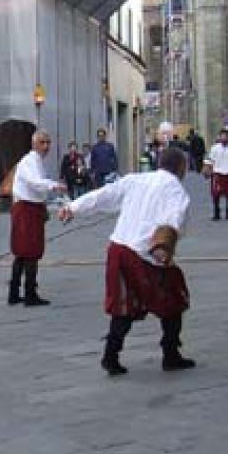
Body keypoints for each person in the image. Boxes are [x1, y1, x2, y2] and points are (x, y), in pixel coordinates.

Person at [59, 147, 194, 376]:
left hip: (118, 249)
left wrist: (73, 207)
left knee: (123, 306)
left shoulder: (135, 180)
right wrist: (162, 246)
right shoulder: (177, 192)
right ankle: (170, 354)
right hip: (145, 254)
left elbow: (103, 196)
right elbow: (174, 218)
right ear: (182, 168)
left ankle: (110, 356)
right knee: (174, 299)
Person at [9, 130, 67, 307]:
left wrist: (44, 204)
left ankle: (14, 293)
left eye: (48, 142)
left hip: (32, 207)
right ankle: (29, 293)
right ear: (34, 144)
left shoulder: (37, 162)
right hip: (26, 208)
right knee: (29, 251)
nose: (46, 146)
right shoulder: (29, 161)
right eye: (42, 142)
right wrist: (53, 185)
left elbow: (37, 187)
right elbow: (34, 182)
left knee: (23, 252)